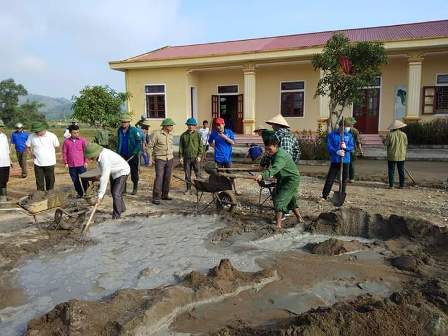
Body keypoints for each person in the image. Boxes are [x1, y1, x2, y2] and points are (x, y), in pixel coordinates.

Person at [255, 137, 302, 230]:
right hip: (283, 179)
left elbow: (275, 168)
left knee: (280, 200)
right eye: (266, 149)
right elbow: (274, 168)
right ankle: (300, 219)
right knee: (290, 199)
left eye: (269, 149)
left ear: (276, 146)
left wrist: (263, 175)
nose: (268, 151)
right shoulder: (275, 153)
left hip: (291, 180)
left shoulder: (280, 156)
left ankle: (278, 226)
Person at [84, 143, 130, 219]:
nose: (90, 159)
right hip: (114, 172)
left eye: (91, 157)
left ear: (95, 153)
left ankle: (116, 216)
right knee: (114, 191)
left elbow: (104, 177)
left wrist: (100, 196)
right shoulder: (100, 156)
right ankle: (122, 208)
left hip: (123, 171)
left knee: (116, 193)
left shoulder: (105, 158)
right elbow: (101, 171)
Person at [321, 119, 355, 201]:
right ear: (341, 126)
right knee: (330, 178)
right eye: (346, 127)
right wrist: (336, 151)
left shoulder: (349, 136)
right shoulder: (332, 135)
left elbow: (352, 146)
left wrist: (346, 147)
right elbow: (329, 147)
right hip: (335, 160)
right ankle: (325, 195)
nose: (348, 129)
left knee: (344, 179)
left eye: (348, 127)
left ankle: (342, 194)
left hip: (346, 160)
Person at [208, 117, 239, 194]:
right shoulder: (214, 133)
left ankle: (235, 189)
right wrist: (215, 147)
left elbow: (233, 142)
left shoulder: (229, 132)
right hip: (218, 158)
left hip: (227, 158)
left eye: (220, 125)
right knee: (219, 175)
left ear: (224, 124)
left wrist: (224, 136)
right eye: (217, 125)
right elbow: (210, 141)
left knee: (231, 174)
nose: (219, 126)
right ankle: (220, 189)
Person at [148, 118, 175, 205]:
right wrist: (150, 158)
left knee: (167, 178)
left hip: (170, 158)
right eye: (171, 125)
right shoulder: (156, 134)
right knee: (159, 178)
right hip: (160, 159)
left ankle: (165, 195)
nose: (172, 127)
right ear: (165, 126)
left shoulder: (171, 134)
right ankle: (156, 197)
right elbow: (149, 146)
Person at [26, 122, 60, 191]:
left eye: (37, 131)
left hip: (50, 163)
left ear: (43, 129)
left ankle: (50, 194)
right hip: (37, 163)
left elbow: (57, 146)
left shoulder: (52, 136)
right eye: (35, 131)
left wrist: (49, 154)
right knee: (39, 181)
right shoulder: (32, 136)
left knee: (50, 181)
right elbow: (27, 146)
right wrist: (30, 153)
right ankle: (40, 196)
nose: (36, 133)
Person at [116, 113, 142, 195]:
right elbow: (118, 142)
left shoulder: (134, 130)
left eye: (126, 122)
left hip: (132, 155)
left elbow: (139, 142)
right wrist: (117, 153)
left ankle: (135, 187)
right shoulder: (119, 130)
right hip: (122, 155)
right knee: (122, 172)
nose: (124, 123)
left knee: (134, 172)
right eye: (123, 122)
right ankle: (123, 189)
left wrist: (135, 152)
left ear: (129, 122)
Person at [62, 124, 88, 198]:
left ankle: (88, 193)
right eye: (74, 133)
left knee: (85, 179)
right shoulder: (66, 142)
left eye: (77, 132)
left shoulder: (82, 140)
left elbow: (86, 151)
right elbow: (64, 152)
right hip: (71, 165)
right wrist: (66, 162)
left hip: (81, 164)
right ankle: (80, 193)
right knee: (75, 180)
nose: (76, 134)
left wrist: (86, 161)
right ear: (70, 133)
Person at [179, 117, 203, 194]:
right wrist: (181, 157)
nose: (190, 126)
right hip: (186, 158)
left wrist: (199, 156)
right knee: (187, 174)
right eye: (189, 125)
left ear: (195, 125)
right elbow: (181, 147)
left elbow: (201, 146)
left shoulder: (198, 135)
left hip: (196, 158)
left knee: (198, 174)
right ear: (187, 125)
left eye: (192, 125)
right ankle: (188, 189)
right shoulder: (183, 135)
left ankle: (199, 189)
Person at [385, 120, 408, 189]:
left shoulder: (390, 134)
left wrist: (383, 140)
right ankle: (402, 185)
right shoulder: (404, 134)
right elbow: (406, 144)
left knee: (391, 170)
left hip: (392, 155)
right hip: (401, 155)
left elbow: (386, 144)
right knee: (401, 170)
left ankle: (391, 185)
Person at [345, 117, 363, 183]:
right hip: (352, 150)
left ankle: (345, 177)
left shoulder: (342, 130)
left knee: (345, 164)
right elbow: (358, 142)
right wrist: (361, 151)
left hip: (344, 149)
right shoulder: (355, 131)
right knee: (351, 164)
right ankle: (351, 178)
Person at [0, 119, 11, 202]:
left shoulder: (4, 136)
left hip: (5, 162)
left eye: (1, 127)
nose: (0, 129)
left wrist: (9, 160)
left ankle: (3, 196)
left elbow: (7, 149)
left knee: (4, 179)